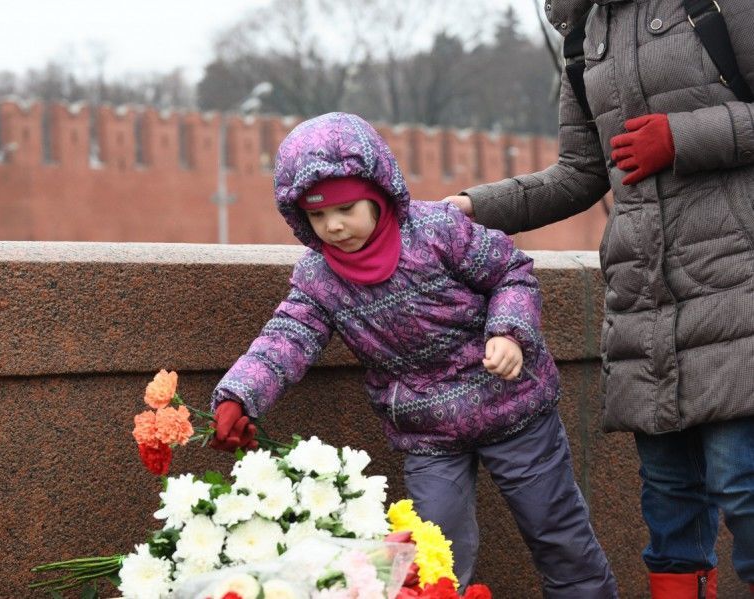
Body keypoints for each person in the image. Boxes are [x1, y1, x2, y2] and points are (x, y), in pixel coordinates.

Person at [209, 112, 617, 597]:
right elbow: (285, 338)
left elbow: (512, 273)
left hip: (513, 408)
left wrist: (509, 334)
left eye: (345, 209)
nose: (334, 227)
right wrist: (238, 397)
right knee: (431, 560)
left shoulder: (437, 230)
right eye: (317, 216)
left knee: (559, 537)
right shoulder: (319, 278)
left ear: (378, 192)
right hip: (427, 432)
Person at [445, 2, 754, 596]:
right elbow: (580, 172)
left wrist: (683, 136)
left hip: (737, 287)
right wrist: (468, 207)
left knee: (743, 484)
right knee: (668, 506)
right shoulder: (588, 30)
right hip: (646, 302)